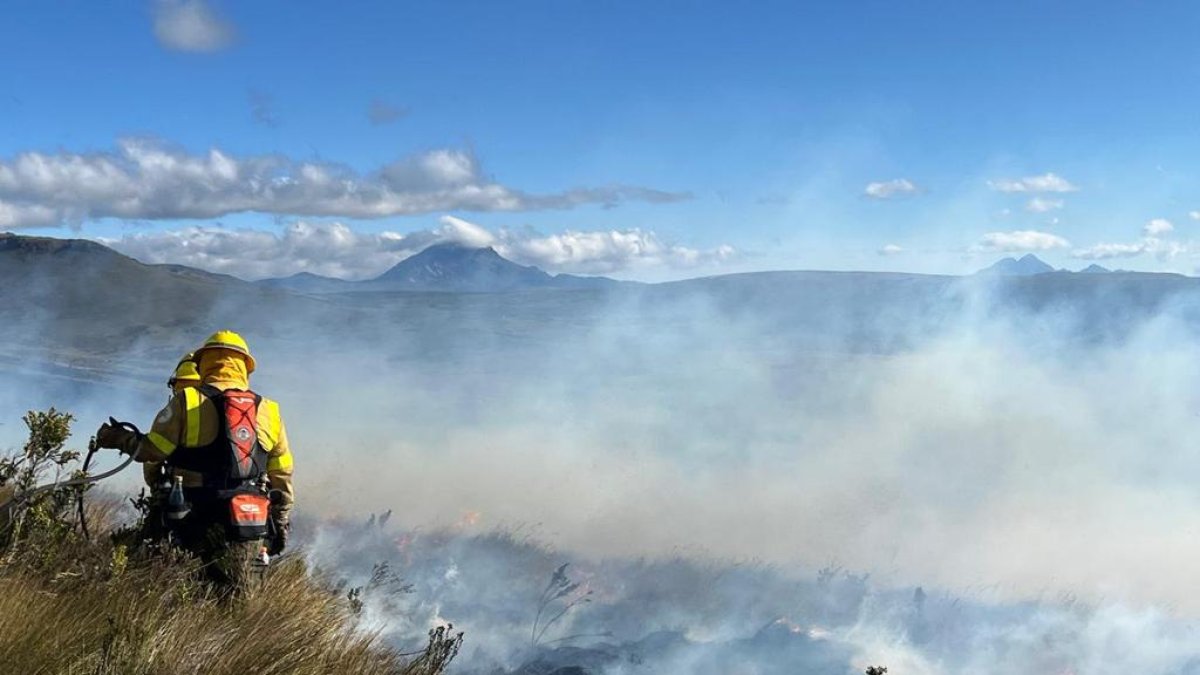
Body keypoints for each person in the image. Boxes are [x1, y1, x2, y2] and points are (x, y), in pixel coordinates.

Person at [97, 331, 294, 590]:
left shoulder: (187, 400)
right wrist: (279, 521)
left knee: (167, 577)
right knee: (243, 588)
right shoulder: (270, 410)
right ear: (245, 366)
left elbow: (153, 451)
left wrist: (118, 439)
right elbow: (282, 472)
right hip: (249, 517)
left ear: (204, 362)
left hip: (193, 512)